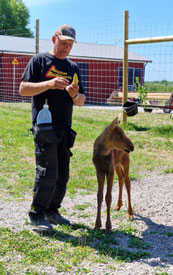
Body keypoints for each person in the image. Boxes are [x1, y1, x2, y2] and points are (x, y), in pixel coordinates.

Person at [19, 24, 86, 234]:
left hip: (64, 127)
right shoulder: (39, 61)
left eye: (70, 44)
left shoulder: (73, 67)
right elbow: (23, 89)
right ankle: (37, 214)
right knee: (47, 171)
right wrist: (48, 84)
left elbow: (81, 101)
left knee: (62, 174)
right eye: (64, 43)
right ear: (53, 39)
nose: (67, 47)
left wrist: (74, 94)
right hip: (44, 126)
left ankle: (52, 211)